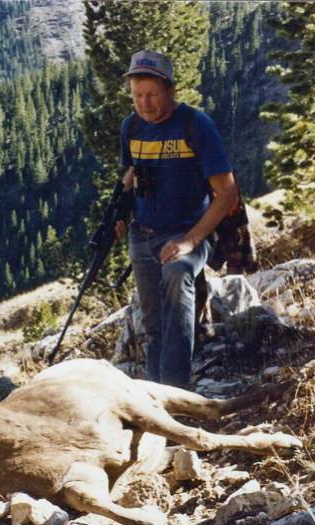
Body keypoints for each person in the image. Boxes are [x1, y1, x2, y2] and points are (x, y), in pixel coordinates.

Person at [115, 49, 238, 386]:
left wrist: (190, 240)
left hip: (187, 231)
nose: (145, 103)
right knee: (153, 323)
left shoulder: (195, 125)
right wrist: (120, 209)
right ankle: (158, 397)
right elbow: (133, 171)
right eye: (137, 96)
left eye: (152, 95)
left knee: (177, 279)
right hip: (142, 234)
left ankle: (178, 393)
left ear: (170, 90)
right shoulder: (132, 127)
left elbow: (227, 192)